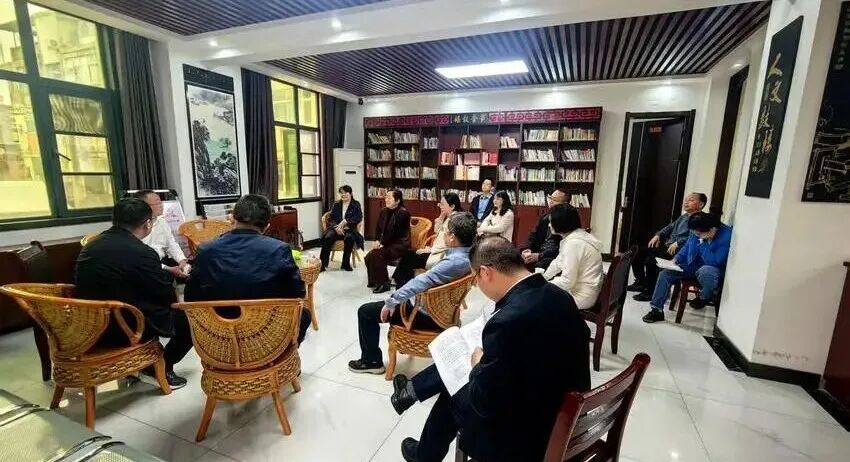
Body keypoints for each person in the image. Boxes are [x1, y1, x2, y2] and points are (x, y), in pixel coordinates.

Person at [394, 236, 590, 462]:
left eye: (476, 278)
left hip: (526, 439)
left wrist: (478, 363)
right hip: (565, 418)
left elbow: (482, 400)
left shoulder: (507, 320)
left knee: (455, 387)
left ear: (486, 272)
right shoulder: (561, 297)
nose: (477, 285)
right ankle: (423, 446)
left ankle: (425, 455)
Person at [75, 198, 192, 389]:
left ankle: (142, 364)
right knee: (189, 321)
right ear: (147, 224)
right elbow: (162, 294)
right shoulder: (142, 252)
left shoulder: (91, 246)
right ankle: (159, 368)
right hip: (123, 325)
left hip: (87, 323)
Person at [349, 212, 477, 374]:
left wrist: (392, 301)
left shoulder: (453, 262)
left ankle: (371, 361)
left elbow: (421, 282)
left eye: (445, 231)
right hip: (443, 313)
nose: (443, 234)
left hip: (424, 315)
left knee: (366, 311)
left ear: (452, 237)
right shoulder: (470, 256)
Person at [184, 194, 312, 343]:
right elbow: (297, 293)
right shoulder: (279, 249)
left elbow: (190, 296)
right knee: (305, 314)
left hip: (218, 335)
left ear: (232, 218)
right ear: (266, 226)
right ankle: (284, 352)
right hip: (265, 333)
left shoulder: (205, 249)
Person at [642, 212, 732, 323]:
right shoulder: (700, 228)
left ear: (712, 229)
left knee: (706, 271)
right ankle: (656, 310)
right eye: (695, 233)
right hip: (694, 264)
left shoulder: (726, 235)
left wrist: (703, 243)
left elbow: (716, 261)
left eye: (698, 234)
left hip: (712, 269)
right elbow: (688, 245)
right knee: (665, 274)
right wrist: (675, 260)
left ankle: (704, 297)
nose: (696, 235)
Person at [631, 192, 707, 301]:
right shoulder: (684, 216)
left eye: (691, 200)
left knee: (652, 260)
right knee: (638, 252)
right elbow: (670, 227)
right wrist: (658, 235)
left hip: (681, 252)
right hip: (668, 246)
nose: (686, 202)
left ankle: (651, 292)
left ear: (701, 204)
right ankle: (641, 282)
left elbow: (695, 237)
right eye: (686, 199)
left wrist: (678, 242)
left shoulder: (700, 219)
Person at [392, 192, 463, 289]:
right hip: (436, 251)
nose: (439, 206)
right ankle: (400, 283)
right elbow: (437, 232)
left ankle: (400, 285)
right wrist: (441, 217)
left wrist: (428, 250)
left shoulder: (454, 221)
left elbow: (446, 244)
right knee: (408, 256)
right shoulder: (451, 217)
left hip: (439, 256)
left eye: (442, 204)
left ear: (452, 206)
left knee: (408, 257)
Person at [541, 203, 603, 309]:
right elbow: (558, 262)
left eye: (551, 222)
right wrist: (544, 277)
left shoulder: (573, 244)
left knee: (536, 300)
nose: (549, 225)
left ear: (561, 222)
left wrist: (543, 286)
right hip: (585, 290)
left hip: (581, 296)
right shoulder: (577, 236)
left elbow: (567, 281)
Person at [133, 190, 189, 279]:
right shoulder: (135, 226)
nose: (162, 205)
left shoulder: (161, 221)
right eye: (157, 203)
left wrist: (182, 261)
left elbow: (171, 243)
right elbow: (140, 257)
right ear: (144, 206)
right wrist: (167, 268)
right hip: (144, 266)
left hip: (163, 262)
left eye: (161, 202)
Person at [365, 190, 411, 294]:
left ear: (397, 200)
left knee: (376, 254)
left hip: (400, 244)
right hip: (388, 243)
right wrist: (376, 240)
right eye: (386, 197)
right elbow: (378, 229)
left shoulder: (403, 213)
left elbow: (394, 233)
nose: (386, 200)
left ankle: (384, 284)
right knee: (369, 256)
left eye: (389, 198)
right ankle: (375, 281)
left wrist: (381, 244)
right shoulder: (384, 211)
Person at [520, 188, 569, 270]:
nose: (551, 202)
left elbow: (559, 249)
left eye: (555, 200)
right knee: (516, 256)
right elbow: (534, 234)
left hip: (552, 257)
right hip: (539, 251)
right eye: (550, 198)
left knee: (541, 265)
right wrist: (528, 248)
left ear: (565, 204)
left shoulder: (567, 221)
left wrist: (539, 256)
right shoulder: (545, 217)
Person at [319, 185, 364, 272]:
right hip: (336, 229)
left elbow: (358, 217)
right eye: (341, 193)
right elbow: (331, 218)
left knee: (349, 238)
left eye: (345, 193)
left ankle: (345, 264)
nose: (343, 195)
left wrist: (346, 221)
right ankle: (322, 264)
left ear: (350, 193)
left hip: (349, 229)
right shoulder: (336, 204)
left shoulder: (356, 204)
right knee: (328, 237)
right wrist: (336, 227)